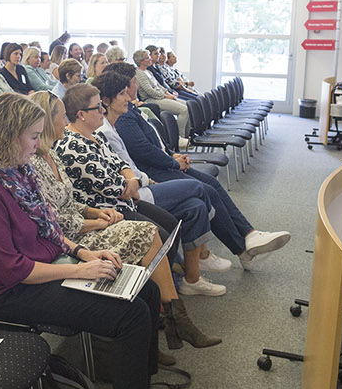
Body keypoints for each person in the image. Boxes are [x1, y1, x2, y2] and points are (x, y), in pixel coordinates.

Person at [0, 94, 182, 389]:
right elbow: (11, 270)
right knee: (132, 314)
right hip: (8, 293)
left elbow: (50, 229)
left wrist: (82, 252)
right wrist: (80, 270)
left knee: (146, 292)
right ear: (8, 136)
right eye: (32, 137)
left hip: (42, 271)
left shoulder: (16, 171)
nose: (38, 145)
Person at [28, 92, 211, 358]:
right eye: (61, 116)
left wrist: (95, 212)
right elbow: (56, 220)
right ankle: (171, 319)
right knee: (152, 233)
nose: (65, 122)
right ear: (47, 121)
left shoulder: (52, 155)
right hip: (68, 237)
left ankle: (168, 318)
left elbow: (77, 196)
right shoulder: (47, 156)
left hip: (90, 216)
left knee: (165, 229)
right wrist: (95, 219)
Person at [103, 65, 288, 270]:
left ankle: (249, 234)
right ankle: (242, 246)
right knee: (204, 190)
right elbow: (143, 151)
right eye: (133, 83)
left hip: (162, 165)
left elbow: (154, 143)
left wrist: (173, 155)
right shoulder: (123, 118)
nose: (137, 85)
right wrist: (173, 161)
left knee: (211, 184)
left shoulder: (131, 111)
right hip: (155, 173)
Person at [57, 83, 225, 298]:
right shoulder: (73, 145)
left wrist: (131, 179)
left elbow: (121, 165)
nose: (103, 111)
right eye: (98, 108)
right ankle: (163, 293)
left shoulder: (96, 135)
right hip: (107, 209)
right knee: (179, 212)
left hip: (125, 200)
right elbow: (114, 187)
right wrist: (131, 181)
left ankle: (178, 280)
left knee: (180, 218)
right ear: (81, 114)